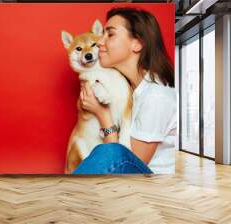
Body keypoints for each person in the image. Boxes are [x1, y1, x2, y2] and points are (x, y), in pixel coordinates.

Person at [72, 7, 176, 174]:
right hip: (121, 187)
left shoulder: (156, 96)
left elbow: (126, 166)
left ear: (137, 44)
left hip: (151, 189)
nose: (99, 41)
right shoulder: (129, 87)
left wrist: (103, 114)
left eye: (110, 34)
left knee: (110, 151)